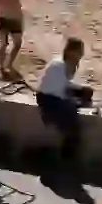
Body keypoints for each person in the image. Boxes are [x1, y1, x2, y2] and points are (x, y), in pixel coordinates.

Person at [36, 37, 87, 165]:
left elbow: (65, 85)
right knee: (73, 124)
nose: (81, 54)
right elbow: (61, 92)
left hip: (52, 96)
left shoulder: (65, 64)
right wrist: (76, 100)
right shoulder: (60, 65)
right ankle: (67, 158)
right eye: (79, 51)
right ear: (70, 52)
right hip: (49, 99)